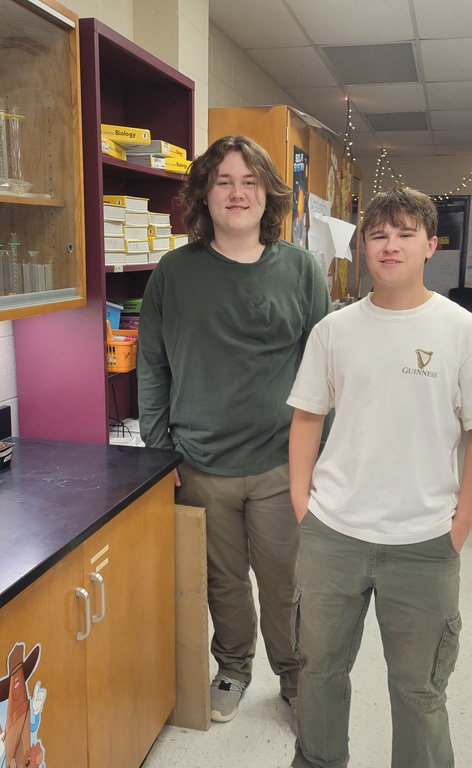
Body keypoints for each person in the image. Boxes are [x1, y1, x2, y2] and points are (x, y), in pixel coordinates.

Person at [287, 186, 472, 767]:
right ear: (361, 246)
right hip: (333, 533)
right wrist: (301, 505)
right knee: (318, 673)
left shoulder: (464, 333)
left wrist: (459, 527)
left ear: (431, 245)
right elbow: (307, 418)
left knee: (418, 689)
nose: (390, 246)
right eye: (377, 235)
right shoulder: (333, 331)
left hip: (424, 542)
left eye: (405, 233)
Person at [138, 134, 330, 724]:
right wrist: (159, 453)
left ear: (269, 194)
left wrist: (321, 457)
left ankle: (296, 677)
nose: (237, 193)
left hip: (280, 465)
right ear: (204, 194)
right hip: (200, 463)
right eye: (223, 181)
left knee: (285, 582)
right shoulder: (173, 273)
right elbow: (152, 366)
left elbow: (327, 369)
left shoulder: (299, 270)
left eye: (249, 182)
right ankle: (233, 667)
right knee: (222, 581)